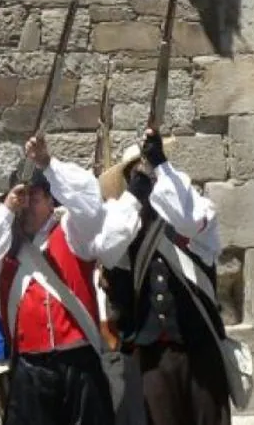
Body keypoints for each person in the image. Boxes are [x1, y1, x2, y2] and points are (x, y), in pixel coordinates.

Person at [0, 133, 140, 425]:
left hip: (79, 364)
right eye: (21, 199)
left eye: (33, 198)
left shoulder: (72, 229)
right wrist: (7, 209)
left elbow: (90, 205)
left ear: (49, 199)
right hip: (30, 369)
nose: (26, 206)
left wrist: (48, 164)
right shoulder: (3, 242)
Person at [98, 129, 231, 425]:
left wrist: (161, 165)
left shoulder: (197, 211)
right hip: (152, 354)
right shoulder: (124, 229)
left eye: (149, 170)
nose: (146, 178)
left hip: (201, 346)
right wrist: (133, 197)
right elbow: (105, 249)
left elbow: (188, 219)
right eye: (137, 173)